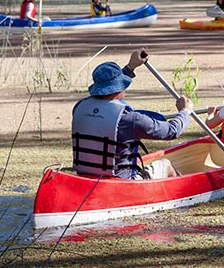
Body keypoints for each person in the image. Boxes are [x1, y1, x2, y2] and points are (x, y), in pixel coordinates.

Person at [72, 50, 193, 179]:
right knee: (166, 164)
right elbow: (171, 131)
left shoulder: (79, 107)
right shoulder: (130, 120)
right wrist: (184, 112)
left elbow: (108, 93)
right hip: (122, 184)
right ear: (120, 87)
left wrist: (131, 67)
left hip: (86, 179)